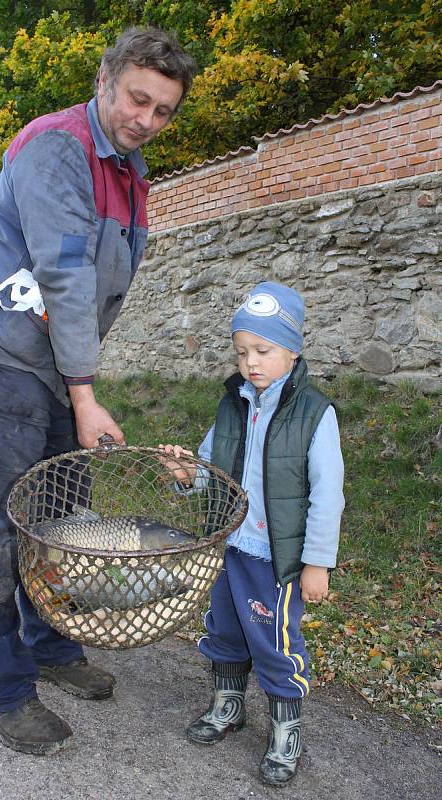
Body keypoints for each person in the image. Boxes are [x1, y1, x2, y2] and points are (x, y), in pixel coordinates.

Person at [0, 27, 197, 755]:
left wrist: (75, 386)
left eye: (163, 111)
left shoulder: (127, 167)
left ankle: (50, 651)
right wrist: (86, 395)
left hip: (54, 368)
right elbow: (64, 277)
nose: (145, 118)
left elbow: (99, 289)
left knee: (58, 520)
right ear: (105, 81)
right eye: (137, 99)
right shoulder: (58, 148)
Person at [158, 281, 345, 787]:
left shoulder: (314, 415)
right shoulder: (233, 404)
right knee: (225, 628)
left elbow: (329, 495)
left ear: (293, 349)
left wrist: (317, 562)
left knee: (273, 641)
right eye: (242, 353)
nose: (251, 363)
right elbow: (212, 467)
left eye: (263, 351)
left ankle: (286, 730)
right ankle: (227, 703)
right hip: (228, 546)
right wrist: (186, 473)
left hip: (275, 557)